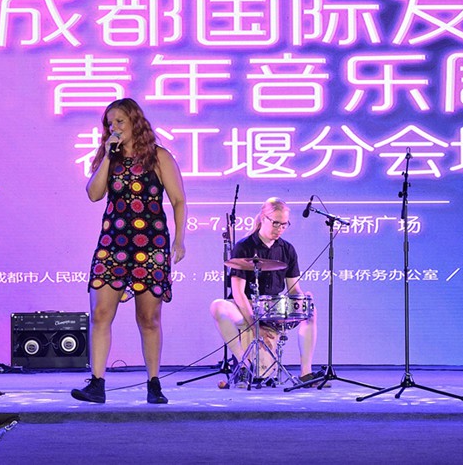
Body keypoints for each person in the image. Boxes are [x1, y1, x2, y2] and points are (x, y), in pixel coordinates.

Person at [72, 98, 187, 404]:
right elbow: (94, 194)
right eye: (110, 123)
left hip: (151, 244)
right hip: (113, 243)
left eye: (120, 121)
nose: (115, 127)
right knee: (100, 313)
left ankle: (153, 383)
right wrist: (107, 156)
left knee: (148, 318)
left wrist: (179, 240)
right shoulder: (109, 157)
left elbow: (178, 200)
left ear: (135, 121)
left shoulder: (158, 156)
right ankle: (97, 383)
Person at [210, 197, 321, 386]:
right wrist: (255, 325)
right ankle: (243, 365)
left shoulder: (287, 249)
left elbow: (293, 288)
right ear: (263, 218)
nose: (280, 229)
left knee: (311, 310)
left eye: (284, 225)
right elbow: (238, 293)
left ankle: (306, 373)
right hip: (245, 307)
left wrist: (303, 299)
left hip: (272, 308)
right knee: (218, 306)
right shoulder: (244, 246)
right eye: (276, 223)